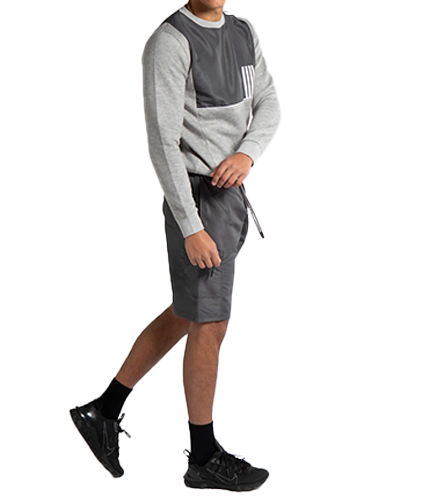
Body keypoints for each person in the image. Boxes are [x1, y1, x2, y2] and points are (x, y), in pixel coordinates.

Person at [69, 0, 281, 492]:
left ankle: (103, 410)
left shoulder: (243, 32)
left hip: (231, 197)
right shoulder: (169, 42)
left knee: (189, 312)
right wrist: (190, 225)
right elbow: (162, 141)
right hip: (199, 199)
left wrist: (247, 154)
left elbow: (269, 100)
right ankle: (203, 456)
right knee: (210, 323)